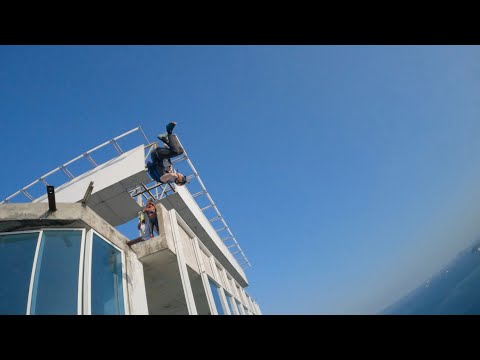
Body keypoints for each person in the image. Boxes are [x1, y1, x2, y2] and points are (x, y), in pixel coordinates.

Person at [147, 122, 188, 186]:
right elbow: (167, 158)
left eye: (182, 178)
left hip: (157, 156)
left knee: (176, 151)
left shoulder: (171, 179)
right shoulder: (172, 170)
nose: (182, 175)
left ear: (178, 181)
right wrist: (168, 145)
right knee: (180, 151)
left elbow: (162, 179)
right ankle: (163, 138)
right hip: (160, 154)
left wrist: (170, 174)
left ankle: (169, 131)